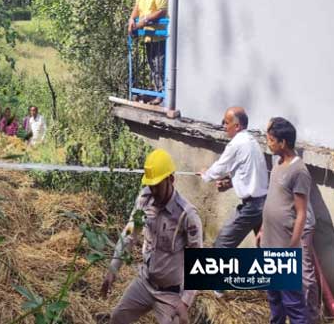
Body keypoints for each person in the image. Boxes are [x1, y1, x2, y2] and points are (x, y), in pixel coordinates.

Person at [101, 149, 203, 324]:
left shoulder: (186, 215)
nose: (153, 190)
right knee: (117, 318)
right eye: (150, 184)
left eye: (157, 185)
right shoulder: (145, 199)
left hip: (171, 294)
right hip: (145, 283)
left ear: (171, 179)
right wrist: (113, 270)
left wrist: (185, 303)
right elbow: (129, 235)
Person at [259, 117, 315, 324]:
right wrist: (263, 229)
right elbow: (273, 200)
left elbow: (301, 213)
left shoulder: (299, 171)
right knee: (274, 297)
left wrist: (292, 246)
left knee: (292, 302)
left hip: (284, 246)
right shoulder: (277, 164)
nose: (269, 143)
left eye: (271, 140)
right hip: (269, 243)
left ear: (283, 143)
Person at [199, 107, 268, 251]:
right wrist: (230, 182)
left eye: (226, 122)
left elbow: (220, 168)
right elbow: (247, 173)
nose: (224, 126)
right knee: (265, 247)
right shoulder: (252, 142)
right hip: (262, 203)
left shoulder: (236, 144)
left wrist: (206, 174)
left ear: (237, 126)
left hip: (252, 207)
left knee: (222, 245)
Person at [127, 0, 168, 104]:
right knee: (152, 65)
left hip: (159, 35)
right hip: (148, 36)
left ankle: (160, 95)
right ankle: (154, 93)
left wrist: (144, 21)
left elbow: (162, 11)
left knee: (159, 66)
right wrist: (132, 19)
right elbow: (137, 7)